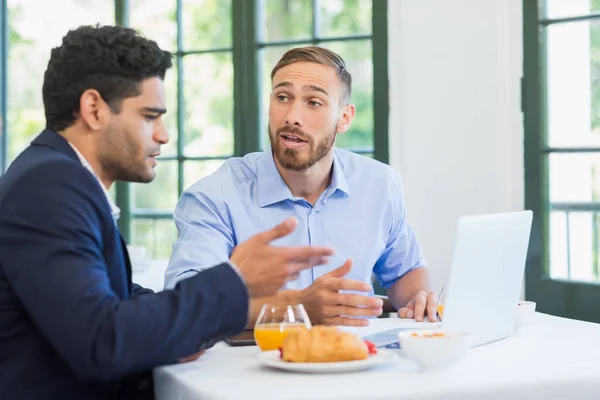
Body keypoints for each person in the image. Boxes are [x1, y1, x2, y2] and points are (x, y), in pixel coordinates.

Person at [0, 26, 334, 400]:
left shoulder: (56, 177)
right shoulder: (50, 186)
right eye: (149, 116)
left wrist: (225, 315)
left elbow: (118, 299)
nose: (163, 135)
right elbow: (102, 342)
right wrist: (235, 279)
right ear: (93, 109)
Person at [164, 46, 438, 328]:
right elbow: (184, 304)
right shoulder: (214, 197)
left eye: (314, 102)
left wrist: (418, 298)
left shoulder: (380, 185)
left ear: (344, 118)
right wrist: (296, 308)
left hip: (358, 359)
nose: (292, 116)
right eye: (283, 97)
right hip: (251, 363)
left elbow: (406, 270)